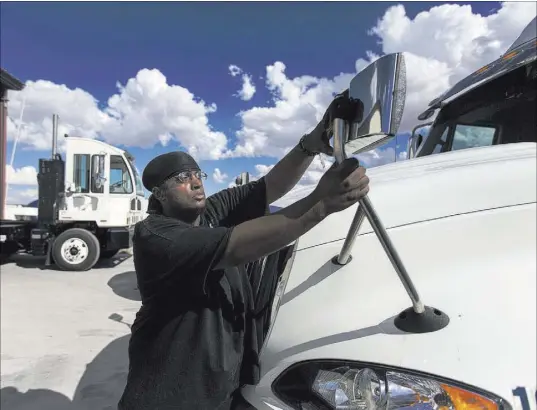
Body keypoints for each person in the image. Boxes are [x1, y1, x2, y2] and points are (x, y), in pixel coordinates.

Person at [117, 99, 370, 410]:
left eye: (197, 174)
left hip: (219, 387)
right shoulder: (157, 235)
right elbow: (237, 247)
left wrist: (311, 143)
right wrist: (320, 204)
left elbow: (269, 187)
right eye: (182, 179)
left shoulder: (209, 212)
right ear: (159, 194)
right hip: (172, 394)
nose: (196, 182)